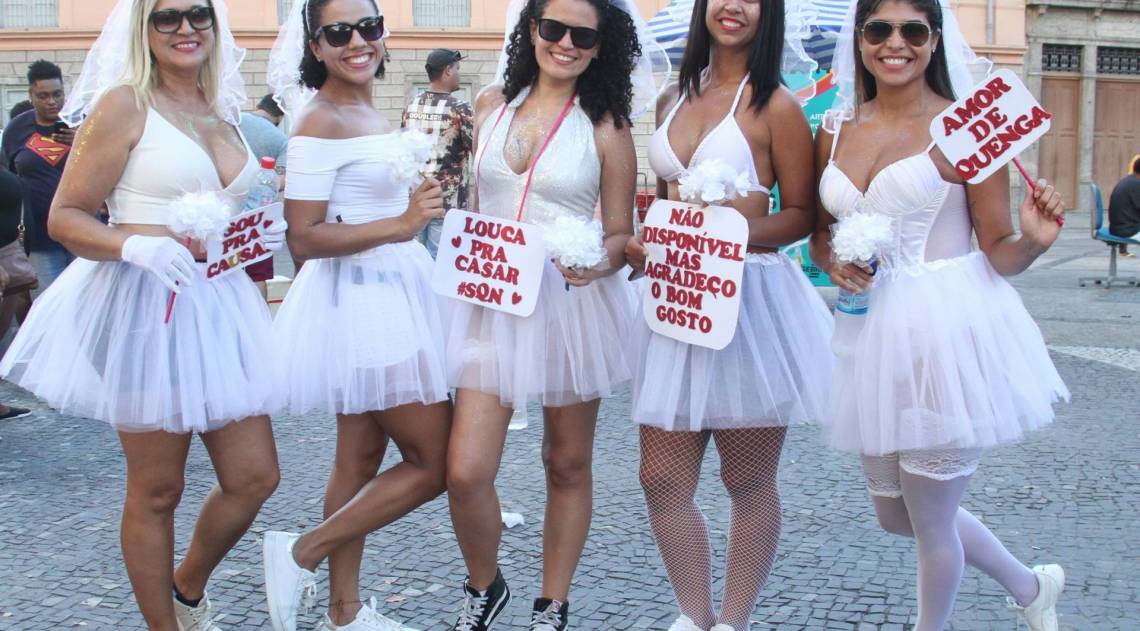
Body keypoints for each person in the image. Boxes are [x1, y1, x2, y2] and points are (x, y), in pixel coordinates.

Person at [0, 1, 288, 628]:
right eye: (167, 17)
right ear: (143, 29)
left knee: (255, 476)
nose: (186, 28)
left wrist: (255, 233)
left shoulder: (223, 112)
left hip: (219, 305)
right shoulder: (126, 103)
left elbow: (232, 206)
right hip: (143, 306)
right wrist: (137, 243)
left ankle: (186, 586)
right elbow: (65, 217)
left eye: (198, 15)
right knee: (158, 489)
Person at [809, 1, 1068, 630]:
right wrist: (833, 261)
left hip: (941, 330)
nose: (895, 43)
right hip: (866, 332)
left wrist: (1032, 240)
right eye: (879, 29)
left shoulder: (963, 128)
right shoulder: (836, 127)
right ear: (861, 41)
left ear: (933, 41)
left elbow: (1000, 251)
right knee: (894, 513)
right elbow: (822, 232)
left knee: (930, 519)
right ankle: (1030, 586)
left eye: (912, 30)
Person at [444, 1, 665, 629]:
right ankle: (485, 586)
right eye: (553, 28)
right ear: (531, 31)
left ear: (602, 47)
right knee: (465, 470)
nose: (565, 43)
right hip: (489, 299)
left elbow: (622, 233)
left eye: (584, 34)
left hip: (570, 305)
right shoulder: (491, 104)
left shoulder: (608, 126)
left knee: (565, 461)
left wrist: (596, 265)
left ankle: (553, 603)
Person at [622, 1, 829, 629]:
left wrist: (728, 235)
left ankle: (733, 621)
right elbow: (663, 203)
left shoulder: (778, 106)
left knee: (746, 479)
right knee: (660, 478)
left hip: (750, 303)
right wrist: (648, 239)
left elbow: (801, 215)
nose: (733, 6)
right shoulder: (670, 99)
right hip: (677, 298)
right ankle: (696, 615)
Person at [260, 1, 451, 630]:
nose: (356, 42)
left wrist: (412, 208)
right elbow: (305, 238)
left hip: (390, 288)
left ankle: (344, 614)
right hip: (366, 298)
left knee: (359, 459)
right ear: (314, 46)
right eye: (337, 33)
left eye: (368, 27)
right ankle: (300, 552)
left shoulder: (365, 108)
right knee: (436, 462)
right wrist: (403, 222)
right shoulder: (319, 118)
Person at [1, 60, 75, 291]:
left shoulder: (82, 123)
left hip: (83, 231)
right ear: (31, 95)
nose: (52, 102)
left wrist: (84, 142)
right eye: (43, 96)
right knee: (49, 304)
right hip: (39, 237)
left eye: (57, 94)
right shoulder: (16, 129)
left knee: (87, 306)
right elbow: (9, 179)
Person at [399, 48, 473, 258]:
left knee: (415, 259)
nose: (459, 73)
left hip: (416, 198)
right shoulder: (460, 108)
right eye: (457, 68)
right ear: (448, 70)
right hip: (447, 201)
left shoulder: (411, 105)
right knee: (442, 262)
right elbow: (477, 147)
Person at [240, 94, 290, 289]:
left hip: (225, 213)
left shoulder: (235, 123)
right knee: (256, 277)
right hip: (258, 220)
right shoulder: (279, 138)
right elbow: (285, 179)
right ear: (280, 116)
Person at [1107, 154, 1140, 256]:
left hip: (1117, 227)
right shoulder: (1136, 184)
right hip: (1125, 230)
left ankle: (1123, 250)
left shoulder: (1129, 181)